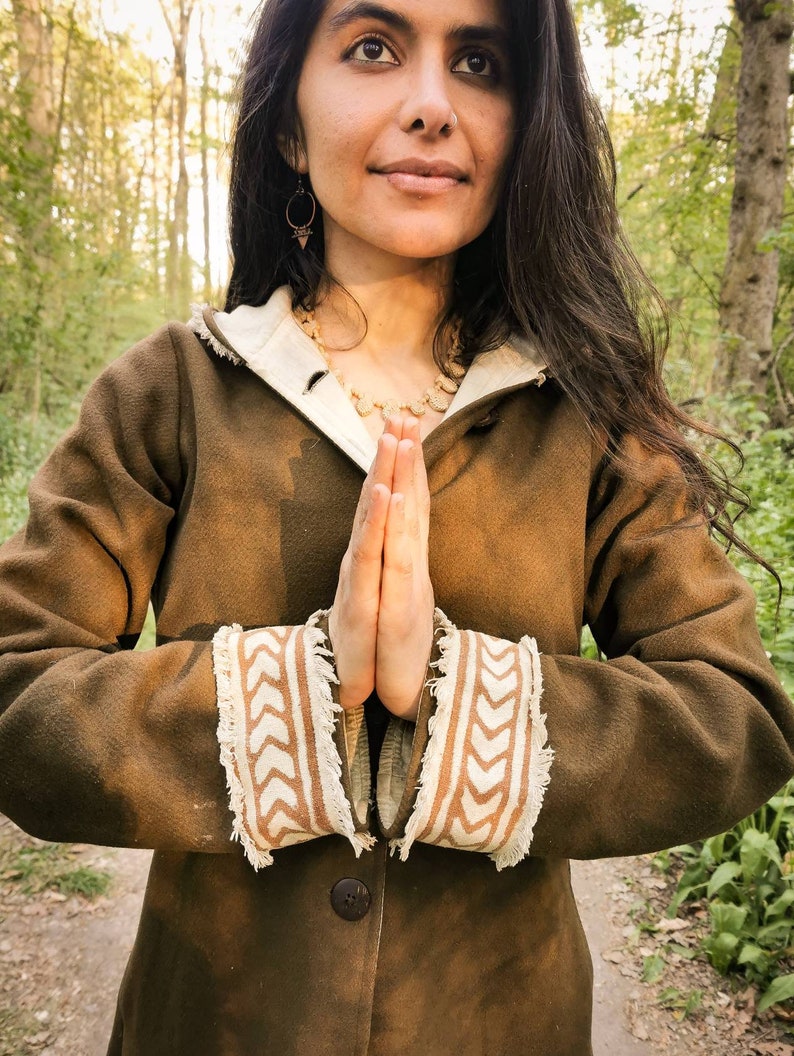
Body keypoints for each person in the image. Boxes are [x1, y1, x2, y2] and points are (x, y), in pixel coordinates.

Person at [1, 0, 793, 1052]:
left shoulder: (592, 416)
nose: (429, 104)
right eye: (373, 49)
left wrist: (450, 707)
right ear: (287, 120)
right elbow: (21, 690)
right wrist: (302, 695)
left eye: (479, 61)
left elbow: (730, 715)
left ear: (527, 121)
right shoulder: (170, 392)